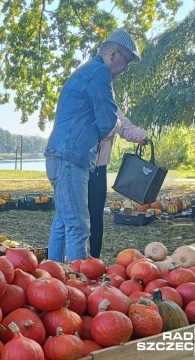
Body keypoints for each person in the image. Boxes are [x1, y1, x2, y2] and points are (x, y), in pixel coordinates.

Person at [44, 29, 141, 262]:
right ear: (113, 53)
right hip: (71, 156)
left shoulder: (84, 71)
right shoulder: (99, 72)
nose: (126, 69)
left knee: (62, 222)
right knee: (78, 225)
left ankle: (51, 278)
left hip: (58, 155)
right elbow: (108, 121)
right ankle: (80, 287)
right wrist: (114, 124)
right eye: (127, 61)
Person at [88, 110, 148, 258]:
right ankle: (71, 260)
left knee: (96, 217)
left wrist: (141, 136)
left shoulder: (111, 107)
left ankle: (95, 258)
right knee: (75, 217)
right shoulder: (83, 102)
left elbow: (125, 127)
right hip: (77, 169)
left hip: (98, 171)